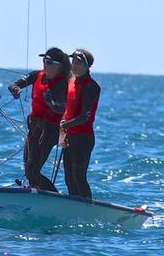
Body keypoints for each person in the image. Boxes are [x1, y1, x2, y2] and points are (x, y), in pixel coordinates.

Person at [8, 47, 70, 192]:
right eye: (43, 60)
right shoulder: (37, 75)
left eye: (48, 62)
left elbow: (61, 108)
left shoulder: (62, 83)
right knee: (29, 169)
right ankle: (39, 191)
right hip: (34, 127)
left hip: (49, 130)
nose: (44, 64)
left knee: (32, 170)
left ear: (58, 66)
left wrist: (51, 103)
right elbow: (13, 84)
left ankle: (54, 197)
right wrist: (15, 89)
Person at [60, 48, 100, 200]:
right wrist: (63, 130)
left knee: (78, 177)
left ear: (86, 66)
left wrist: (65, 125)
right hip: (70, 136)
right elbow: (67, 109)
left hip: (83, 138)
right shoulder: (71, 82)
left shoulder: (91, 86)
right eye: (73, 62)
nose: (74, 65)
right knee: (69, 178)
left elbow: (85, 116)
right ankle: (74, 206)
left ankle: (87, 206)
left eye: (78, 63)